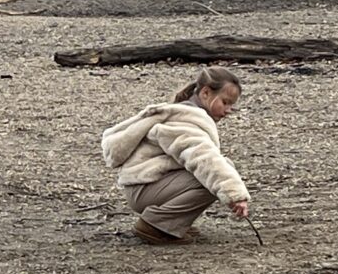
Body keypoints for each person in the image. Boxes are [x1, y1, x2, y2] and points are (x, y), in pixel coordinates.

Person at [101, 66, 250, 245]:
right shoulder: (185, 121)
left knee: (219, 170)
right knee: (211, 175)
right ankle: (156, 226)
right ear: (205, 93)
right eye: (225, 102)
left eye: (231, 105)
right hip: (144, 189)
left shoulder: (182, 113)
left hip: (146, 185)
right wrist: (235, 194)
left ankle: (172, 223)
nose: (228, 110)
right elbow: (202, 157)